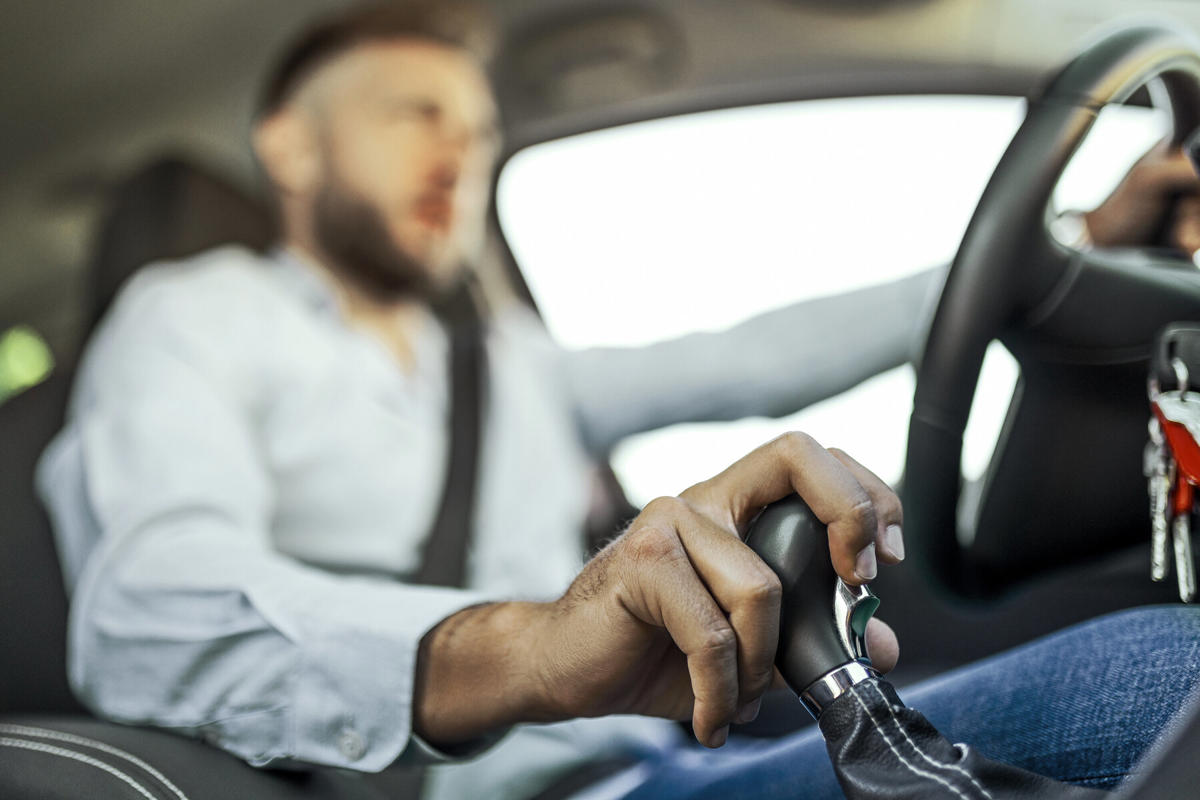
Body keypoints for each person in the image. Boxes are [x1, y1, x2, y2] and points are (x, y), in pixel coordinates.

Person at [35, 3, 1200, 799]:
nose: (462, 150)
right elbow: (148, 603)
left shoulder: (506, 359)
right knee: (1164, 676)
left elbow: (747, 354)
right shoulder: (193, 315)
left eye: (480, 129)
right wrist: (530, 644)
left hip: (648, 768)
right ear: (290, 144)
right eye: (414, 113)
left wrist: (1070, 243)